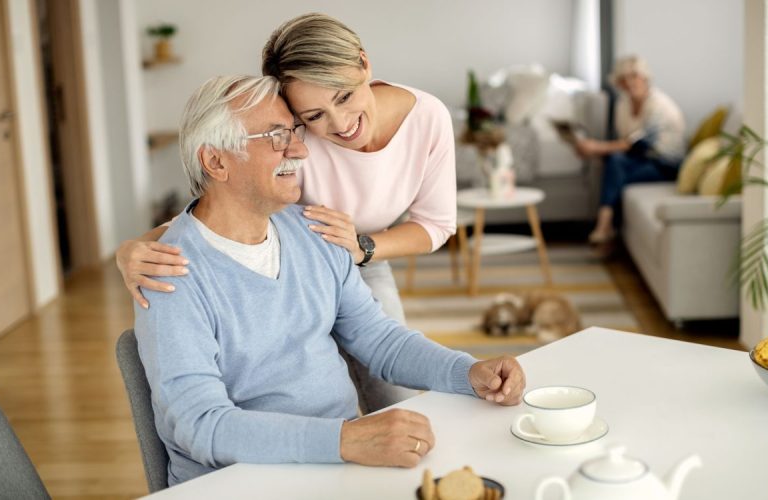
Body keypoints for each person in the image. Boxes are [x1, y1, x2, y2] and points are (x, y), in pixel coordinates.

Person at [137, 74, 525, 486]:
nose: (300, 149)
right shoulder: (167, 273)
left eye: (294, 132)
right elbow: (201, 425)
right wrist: (344, 439)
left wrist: (468, 373)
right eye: (275, 136)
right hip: (238, 482)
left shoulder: (315, 231)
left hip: (338, 466)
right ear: (215, 161)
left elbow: (381, 342)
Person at [117, 13, 458, 413]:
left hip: (359, 259)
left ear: (364, 63)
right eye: (312, 117)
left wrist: (362, 248)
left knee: (394, 398)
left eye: (344, 96)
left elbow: (436, 224)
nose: (340, 124)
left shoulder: (428, 116)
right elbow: (230, 202)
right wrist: (134, 249)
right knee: (299, 394)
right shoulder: (296, 137)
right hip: (292, 261)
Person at [575, 55, 686, 244]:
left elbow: (634, 143)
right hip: (643, 158)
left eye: (634, 76)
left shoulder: (659, 106)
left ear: (645, 78)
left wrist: (595, 147)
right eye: (624, 79)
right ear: (618, 82)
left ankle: (605, 225)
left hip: (666, 165)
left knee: (615, 165)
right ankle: (607, 228)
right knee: (613, 162)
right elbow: (625, 142)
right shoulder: (623, 104)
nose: (629, 82)